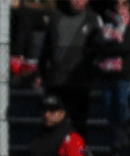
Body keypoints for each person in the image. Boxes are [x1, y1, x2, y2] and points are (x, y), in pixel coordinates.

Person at [36, 0, 100, 137]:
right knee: (52, 123)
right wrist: (40, 73)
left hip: (79, 82)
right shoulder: (56, 17)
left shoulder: (93, 19)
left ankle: (77, 153)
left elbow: (98, 49)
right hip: (56, 81)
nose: (77, 2)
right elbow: (46, 49)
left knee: (78, 124)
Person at [94, 0, 130, 125]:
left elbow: (127, 46)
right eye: (117, 3)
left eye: (124, 4)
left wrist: (107, 46)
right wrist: (113, 44)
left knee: (128, 116)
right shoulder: (107, 24)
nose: (119, 7)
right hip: (108, 76)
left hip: (128, 77)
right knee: (111, 117)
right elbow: (97, 44)